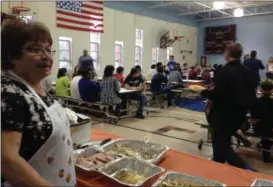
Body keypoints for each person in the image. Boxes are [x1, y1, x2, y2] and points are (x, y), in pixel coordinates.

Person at [1, 20, 76, 186]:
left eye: (49, 50)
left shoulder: (36, 84)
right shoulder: (8, 91)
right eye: (36, 49)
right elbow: (6, 159)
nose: (47, 57)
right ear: (12, 56)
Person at [201, 43, 257, 171]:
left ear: (227, 54)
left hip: (222, 116)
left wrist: (203, 92)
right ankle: (217, 165)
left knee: (222, 146)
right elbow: (252, 98)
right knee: (222, 143)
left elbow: (217, 94)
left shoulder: (225, 71)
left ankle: (247, 170)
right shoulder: (248, 73)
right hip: (239, 116)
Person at [250, 79, 273, 163]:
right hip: (270, 129)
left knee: (266, 129)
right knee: (268, 129)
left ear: (261, 89)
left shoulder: (256, 102)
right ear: (271, 90)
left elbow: (253, 117)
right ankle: (265, 148)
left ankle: (264, 146)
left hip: (258, 128)